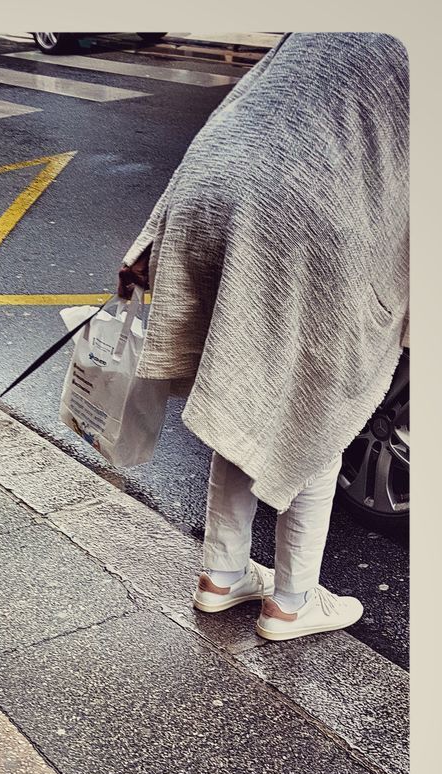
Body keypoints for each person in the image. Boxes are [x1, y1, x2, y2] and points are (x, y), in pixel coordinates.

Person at [117, 32, 408, 641]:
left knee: (243, 377)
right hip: (316, 210)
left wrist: (151, 235)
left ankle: (221, 576)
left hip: (216, 184)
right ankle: (293, 600)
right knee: (325, 401)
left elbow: (238, 105)